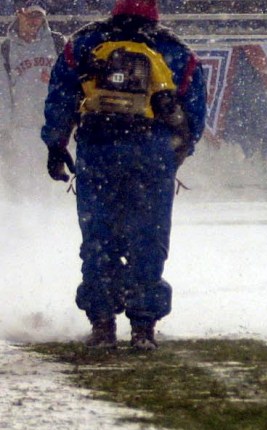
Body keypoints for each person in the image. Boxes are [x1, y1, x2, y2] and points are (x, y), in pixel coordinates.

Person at [41, 0, 207, 349]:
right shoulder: (175, 50)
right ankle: (143, 326)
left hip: (98, 149)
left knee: (99, 237)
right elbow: (193, 114)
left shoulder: (84, 42)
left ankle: (102, 323)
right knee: (148, 238)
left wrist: (57, 145)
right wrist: (175, 155)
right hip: (151, 154)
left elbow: (62, 96)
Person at [0, 1, 65, 200]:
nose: (35, 21)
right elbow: (2, 92)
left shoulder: (56, 42)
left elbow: (66, 85)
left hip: (50, 127)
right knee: (19, 185)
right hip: (20, 129)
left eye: (39, 16)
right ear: (19, 14)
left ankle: (47, 225)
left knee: (48, 187)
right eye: (30, 15)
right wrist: (4, 130)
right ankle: (21, 226)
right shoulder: (7, 48)